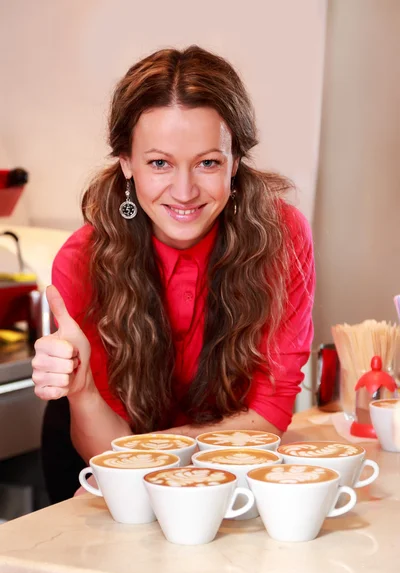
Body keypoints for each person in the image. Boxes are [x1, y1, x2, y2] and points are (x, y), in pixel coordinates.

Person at [32, 46, 315, 502]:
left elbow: (270, 412)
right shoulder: (83, 259)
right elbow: (110, 454)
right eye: (159, 163)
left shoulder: (282, 239)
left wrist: (154, 452)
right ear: (126, 162)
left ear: (236, 162)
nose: (184, 192)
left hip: (222, 471)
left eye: (208, 162)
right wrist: (81, 390)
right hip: (102, 471)